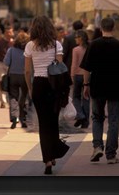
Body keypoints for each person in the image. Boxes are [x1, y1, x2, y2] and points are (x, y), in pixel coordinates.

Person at [80, 17, 119, 164]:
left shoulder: (93, 45)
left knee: (97, 118)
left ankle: (97, 146)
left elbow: (86, 68)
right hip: (115, 87)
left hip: (97, 86)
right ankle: (111, 154)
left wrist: (86, 85)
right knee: (114, 120)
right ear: (114, 28)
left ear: (101, 28)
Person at [24, 15, 70, 175]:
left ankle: (48, 160)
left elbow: (28, 70)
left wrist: (30, 88)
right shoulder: (56, 45)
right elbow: (60, 67)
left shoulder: (30, 45)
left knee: (43, 124)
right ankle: (54, 152)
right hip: (54, 85)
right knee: (53, 120)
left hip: (38, 84)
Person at [3, 31, 30, 129]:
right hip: (24, 76)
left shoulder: (11, 50)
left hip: (13, 76)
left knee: (13, 97)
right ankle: (24, 119)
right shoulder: (28, 51)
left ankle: (14, 117)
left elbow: (6, 62)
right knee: (24, 97)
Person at [71, 30, 90, 129]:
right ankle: (85, 121)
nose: (75, 39)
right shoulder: (89, 48)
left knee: (76, 97)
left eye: (76, 37)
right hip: (88, 75)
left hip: (78, 75)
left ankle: (80, 115)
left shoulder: (76, 50)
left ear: (80, 38)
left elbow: (74, 64)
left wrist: (72, 75)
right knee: (86, 98)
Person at [0, 26, 14, 108]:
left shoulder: (14, 43)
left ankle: (10, 100)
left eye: (10, 32)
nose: (9, 34)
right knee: (1, 81)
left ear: (12, 33)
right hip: (0, 63)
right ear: (5, 33)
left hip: (11, 65)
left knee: (10, 82)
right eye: (7, 32)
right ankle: (3, 101)